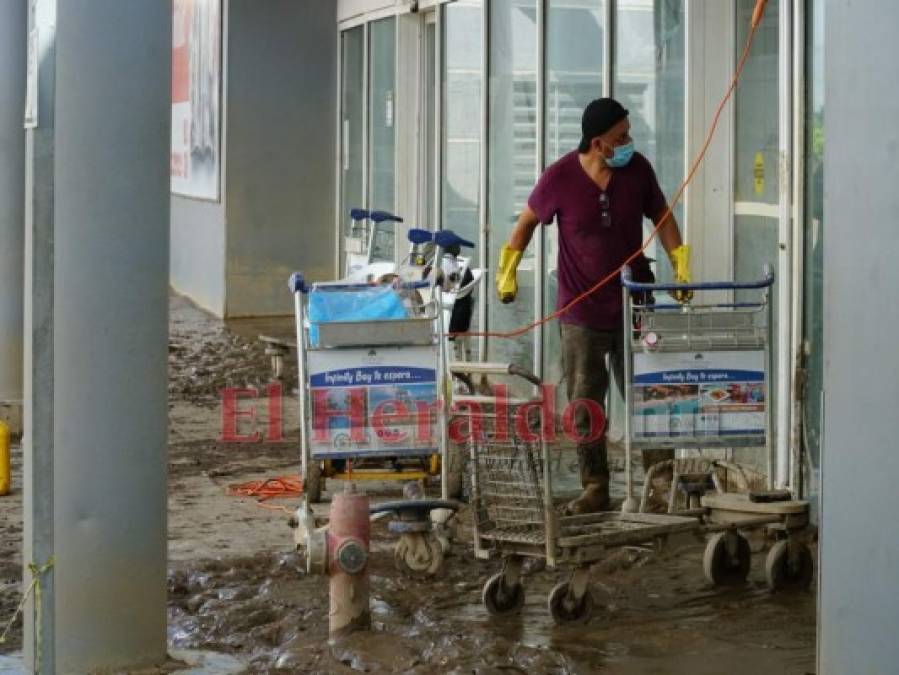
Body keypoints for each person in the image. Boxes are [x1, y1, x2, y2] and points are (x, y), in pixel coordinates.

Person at [495, 98, 691, 514]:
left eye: (629, 134)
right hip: (581, 313)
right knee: (585, 401)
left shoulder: (637, 171)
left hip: (634, 303)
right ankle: (595, 487)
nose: (629, 142)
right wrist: (508, 270)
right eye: (621, 137)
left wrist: (681, 265)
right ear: (598, 143)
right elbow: (526, 223)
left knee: (649, 396)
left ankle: (660, 487)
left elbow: (663, 216)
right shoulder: (560, 177)